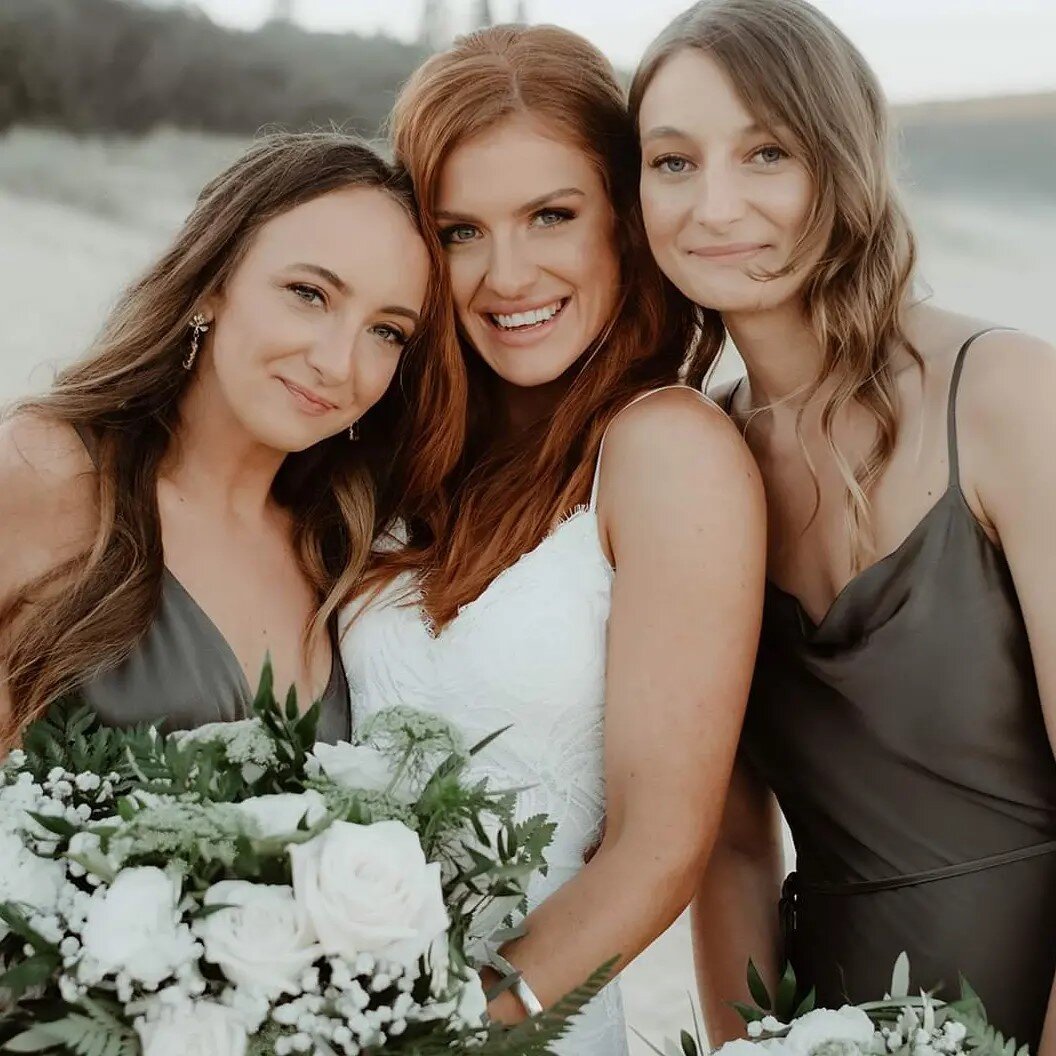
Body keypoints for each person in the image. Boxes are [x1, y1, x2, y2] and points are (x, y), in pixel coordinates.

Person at [630, 1, 1056, 1049]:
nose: (714, 205)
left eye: (766, 151)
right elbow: (729, 850)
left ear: (843, 163)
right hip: (822, 1023)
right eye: (673, 162)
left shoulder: (1007, 396)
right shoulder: (695, 468)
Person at [339, 24, 766, 1056]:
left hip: (512, 1026)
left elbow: (661, 848)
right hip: (324, 1006)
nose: (507, 274)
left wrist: (452, 1028)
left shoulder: (667, 451)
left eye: (550, 216)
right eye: (460, 231)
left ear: (622, 221)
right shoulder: (388, 451)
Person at [0, 131, 452, 749]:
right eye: (308, 294)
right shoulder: (47, 471)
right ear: (212, 284)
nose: (339, 363)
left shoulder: (343, 556)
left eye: (387, 331)